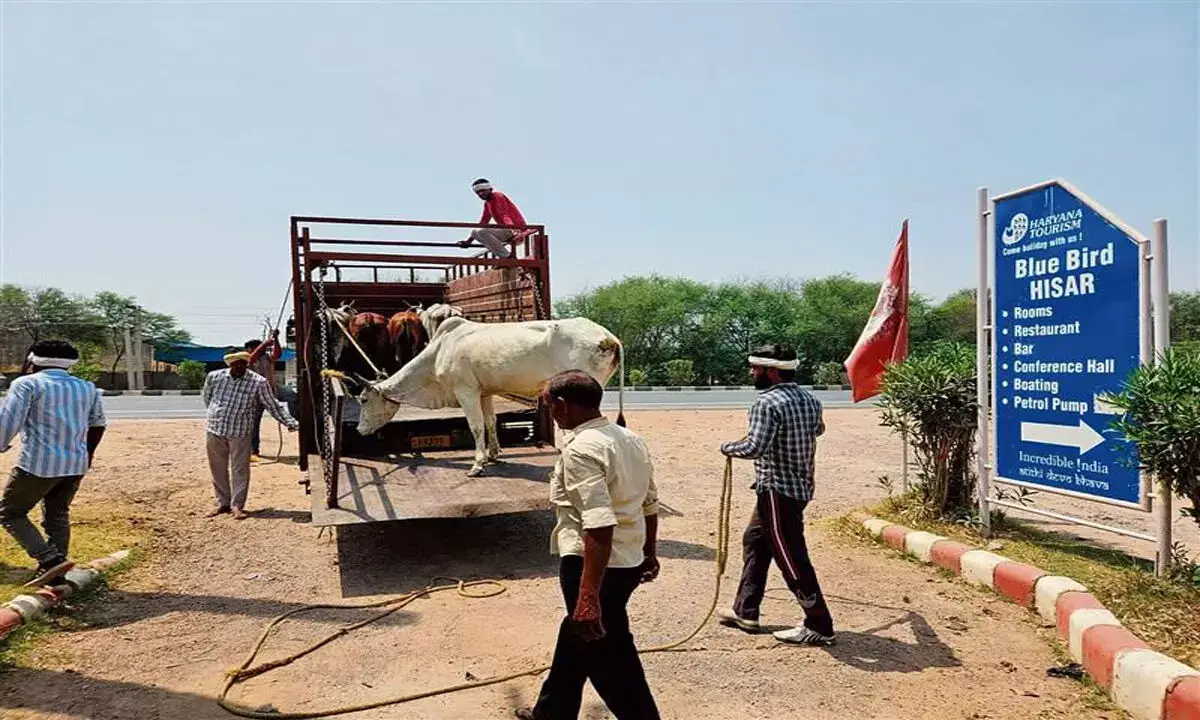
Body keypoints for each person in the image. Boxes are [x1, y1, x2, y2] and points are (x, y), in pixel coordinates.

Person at [517, 371, 661, 720]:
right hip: (625, 560)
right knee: (576, 639)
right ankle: (550, 713)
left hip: (593, 565)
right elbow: (649, 503)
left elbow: (598, 523)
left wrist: (587, 596)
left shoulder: (581, 450)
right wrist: (648, 552)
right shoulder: (630, 439)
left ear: (563, 406)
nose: (550, 413)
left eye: (550, 405)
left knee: (609, 655)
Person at [717, 344, 836, 646]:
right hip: (800, 487)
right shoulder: (810, 400)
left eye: (755, 368)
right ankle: (746, 610)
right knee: (755, 541)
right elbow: (818, 430)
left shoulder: (766, 403)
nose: (752, 372)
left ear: (771, 371)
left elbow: (755, 447)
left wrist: (727, 447)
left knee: (791, 555)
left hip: (776, 490)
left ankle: (819, 623)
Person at [0, 340, 107, 587]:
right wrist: (86, 456)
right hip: (75, 463)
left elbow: (10, 421)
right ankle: (57, 574)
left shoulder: (27, 384)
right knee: (57, 514)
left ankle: (48, 560)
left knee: (10, 513)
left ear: (32, 360)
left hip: (38, 464)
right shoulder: (86, 387)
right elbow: (98, 424)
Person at [202, 349, 298, 520]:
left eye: (243, 363)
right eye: (236, 363)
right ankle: (223, 503)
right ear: (229, 364)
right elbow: (208, 398)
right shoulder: (214, 377)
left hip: (240, 432)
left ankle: (237, 505)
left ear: (248, 364)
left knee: (240, 469)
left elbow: (272, 405)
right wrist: (215, 414)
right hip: (215, 429)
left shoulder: (258, 382)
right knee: (217, 468)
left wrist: (290, 423)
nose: (240, 367)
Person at [457, 178, 528, 259]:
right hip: (506, 229)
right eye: (478, 192)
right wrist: (468, 241)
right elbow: (484, 222)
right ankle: (504, 256)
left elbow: (504, 214)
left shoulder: (498, 196)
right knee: (474, 232)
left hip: (514, 228)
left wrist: (513, 229)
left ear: (490, 189)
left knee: (482, 231)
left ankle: (508, 257)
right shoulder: (487, 203)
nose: (480, 194)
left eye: (483, 190)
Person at [244, 332, 282, 462]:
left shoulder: (267, 357)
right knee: (254, 423)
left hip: (270, 392)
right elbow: (251, 359)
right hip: (255, 396)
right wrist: (265, 343)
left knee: (288, 407)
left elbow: (277, 354)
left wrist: (276, 339)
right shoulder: (246, 360)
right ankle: (254, 450)